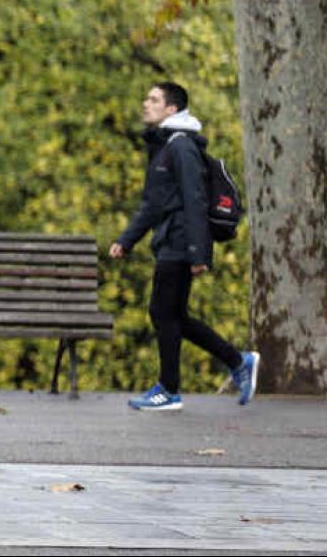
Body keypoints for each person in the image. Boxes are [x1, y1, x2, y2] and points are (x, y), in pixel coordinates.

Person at [110, 81, 260, 411]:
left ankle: (169, 389)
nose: (145, 104)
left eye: (153, 99)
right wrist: (126, 240)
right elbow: (153, 205)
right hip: (171, 239)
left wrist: (198, 252)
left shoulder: (181, 147)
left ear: (171, 109)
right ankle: (238, 360)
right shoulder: (164, 147)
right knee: (174, 315)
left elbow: (195, 199)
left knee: (163, 312)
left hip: (180, 242)